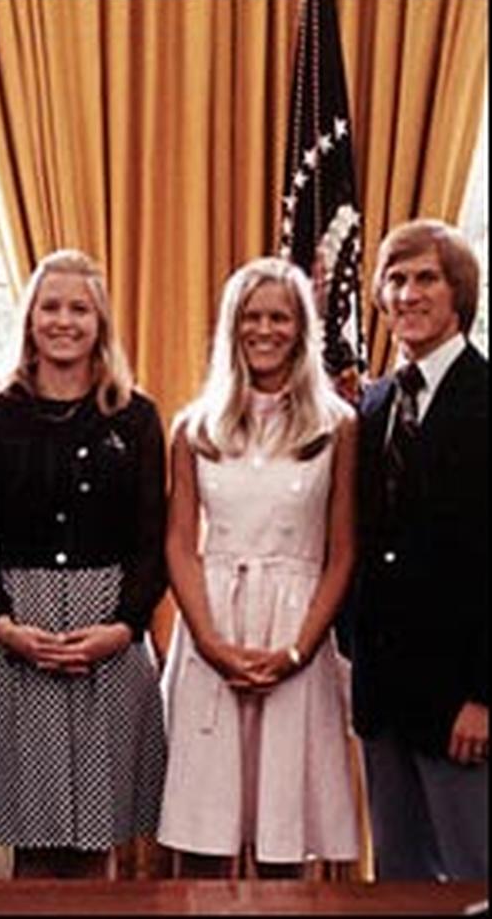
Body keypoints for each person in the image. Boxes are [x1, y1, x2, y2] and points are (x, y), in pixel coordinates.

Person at [0, 249, 167, 877]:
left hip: (110, 633)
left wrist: (124, 627)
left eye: (79, 308)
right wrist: (3, 622)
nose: (63, 320)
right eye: (50, 306)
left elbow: (156, 539)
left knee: (100, 837)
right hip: (21, 628)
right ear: (30, 317)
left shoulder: (136, 416)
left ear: (101, 322)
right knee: (32, 832)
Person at [157, 257, 359, 877]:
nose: (264, 330)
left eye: (279, 317)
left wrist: (298, 651)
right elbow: (180, 544)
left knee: (282, 833)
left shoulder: (337, 426)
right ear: (231, 326)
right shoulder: (195, 427)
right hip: (211, 632)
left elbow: (342, 551)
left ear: (301, 330)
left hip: (297, 633)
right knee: (203, 834)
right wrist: (213, 645)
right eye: (251, 316)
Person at [351, 220, 487, 881]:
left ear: (458, 291)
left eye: (425, 277)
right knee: (397, 884)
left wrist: (485, 697)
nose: (408, 293)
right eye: (396, 279)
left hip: (464, 701)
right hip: (382, 696)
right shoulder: (372, 404)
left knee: (472, 877)